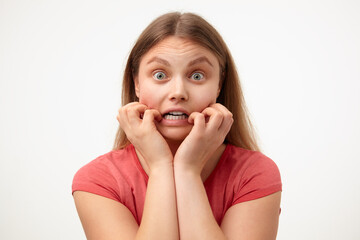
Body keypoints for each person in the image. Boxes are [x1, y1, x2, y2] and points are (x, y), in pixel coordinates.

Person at [72, 12, 282, 240]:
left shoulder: (253, 173)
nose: (178, 92)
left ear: (219, 84)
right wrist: (162, 166)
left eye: (197, 76)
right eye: (160, 74)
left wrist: (187, 170)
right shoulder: (99, 180)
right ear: (137, 84)